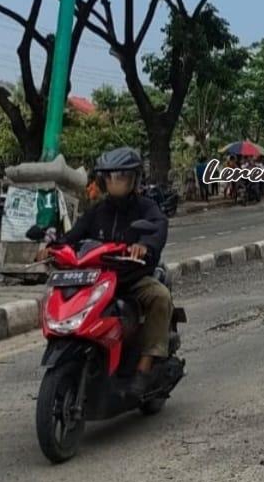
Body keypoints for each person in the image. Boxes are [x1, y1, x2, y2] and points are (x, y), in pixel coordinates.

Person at [39, 147, 171, 396]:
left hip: (131, 278)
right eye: (110, 178)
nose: (115, 182)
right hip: (97, 279)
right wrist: (53, 248)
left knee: (160, 296)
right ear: (102, 180)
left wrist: (144, 246)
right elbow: (74, 236)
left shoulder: (146, 207)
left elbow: (158, 227)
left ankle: (145, 366)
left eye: (121, 177)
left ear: (133, 179)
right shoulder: (97, 212)